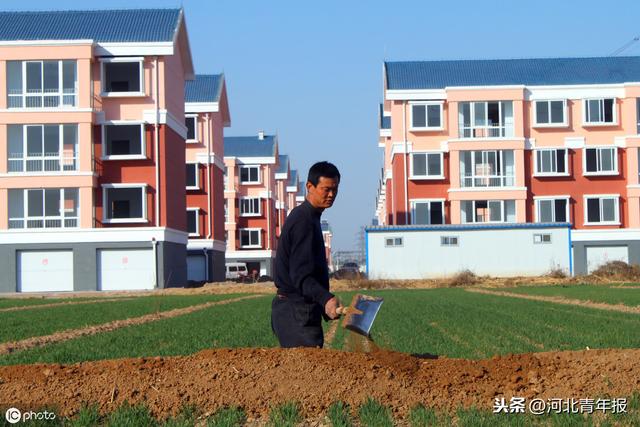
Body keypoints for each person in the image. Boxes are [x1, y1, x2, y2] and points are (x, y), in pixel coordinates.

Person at [271, 161, 341, 348]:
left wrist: (324, 302)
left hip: (298, 311)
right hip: (296, 312)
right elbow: (301, 276)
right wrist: (326, 298)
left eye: (335, 189)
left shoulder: (310, 217)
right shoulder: (303, 221)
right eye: (326, 189)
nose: (331, 195)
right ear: (309, 186)